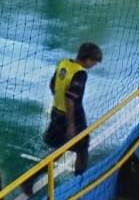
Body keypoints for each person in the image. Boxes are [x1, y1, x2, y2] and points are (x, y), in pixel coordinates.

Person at [25, 42, 103, 194]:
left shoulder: (64, 63)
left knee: (58, 150)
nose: (93, 66)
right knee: (82, 149)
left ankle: (29, 180)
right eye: (94, 62)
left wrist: (58, 101)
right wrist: (71, 124)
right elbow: (70, 99)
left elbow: (53, 85)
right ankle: (80, 183)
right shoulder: (80, 73)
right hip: (72, 116)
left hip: (57, 112)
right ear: (87, 59)